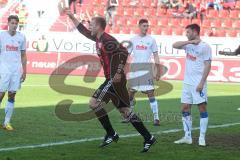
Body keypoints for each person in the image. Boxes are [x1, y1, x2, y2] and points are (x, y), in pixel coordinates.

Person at [65, 9, 156, 153]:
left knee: (94, 103)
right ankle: (148, 137)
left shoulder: (107, 40)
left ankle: (111, 133)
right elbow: (83, 30)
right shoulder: (98, 38)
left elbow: (123, 52)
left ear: (99, 27)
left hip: (113, 79)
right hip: (114, 80)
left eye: (92, 24)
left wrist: (119, 71)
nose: (90, 26)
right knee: (125, 111)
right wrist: (71, 16)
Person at [172, 24, 212, 146]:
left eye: (188, 32)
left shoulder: (205, 47)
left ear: (195, 32)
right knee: (185, 108)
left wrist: (201, 82)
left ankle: (202, 137)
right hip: (187, 83)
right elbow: (174, 45)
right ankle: (187, 136)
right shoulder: (188, 45)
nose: (186, 34)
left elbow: (208, 65)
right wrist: (189, 42)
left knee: (202, 108)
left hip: (198, 83)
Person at [126, 19, 161, 126]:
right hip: (135, 71)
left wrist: (158, 70)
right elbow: (127, 55)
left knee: (150, 94)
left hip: (146, 71)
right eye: (144, 26)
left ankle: (156, 117)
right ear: (139, 26)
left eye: (147, 26)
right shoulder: (132, 40)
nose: (146, 28)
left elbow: (155, 55)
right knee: (130, 94)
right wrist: (125, 69)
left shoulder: (151, 40)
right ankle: (129, 116)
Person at [0, 15, 27, 131]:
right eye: (12, 23)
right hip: (4, 70)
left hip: (16, 71)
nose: (14, 25)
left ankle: (6, 123)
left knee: (12, 95)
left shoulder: (21, 37)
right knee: (0, 95)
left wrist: (24, 71)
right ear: (8, 23)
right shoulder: (1, 36)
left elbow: (23, 55)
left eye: (16, 23)